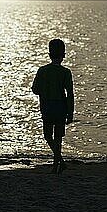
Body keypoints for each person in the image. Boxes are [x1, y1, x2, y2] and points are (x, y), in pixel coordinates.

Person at [31, 38, 74, 174]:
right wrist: (70, 112)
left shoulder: (42, 71)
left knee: (48, 136)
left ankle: (59, 162)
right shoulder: (66, 72)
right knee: (58, 138)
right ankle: (58, 163)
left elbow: (35, 89)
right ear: (63, 56)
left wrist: (46, 90)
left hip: (47, 107)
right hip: (61, 108)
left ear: (50, 55)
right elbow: (70, 94)